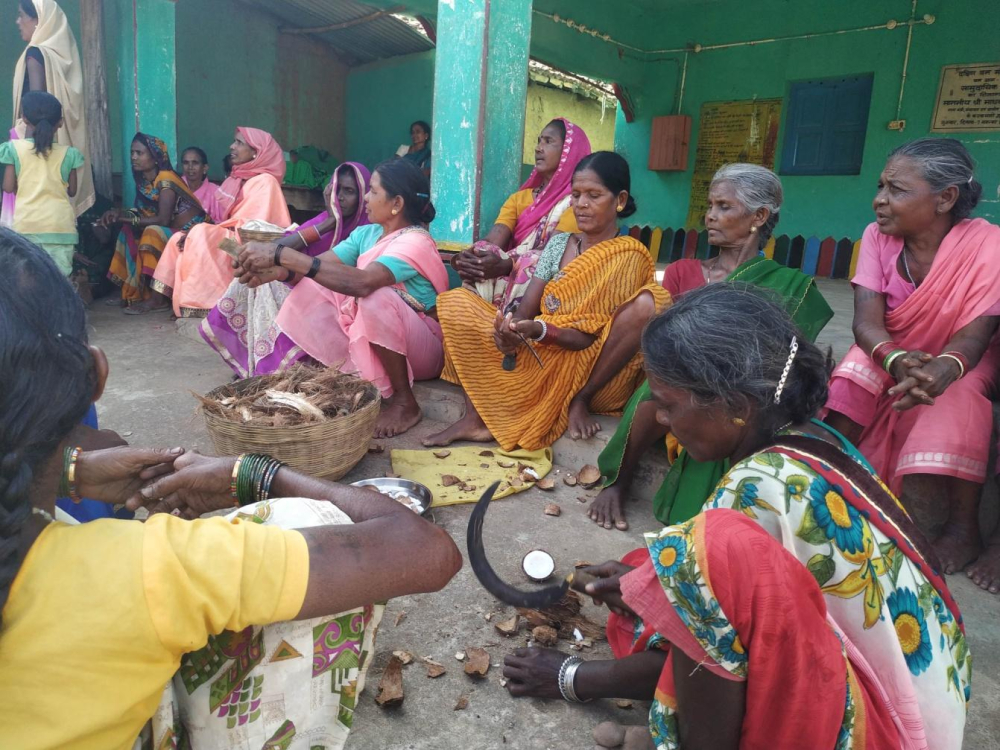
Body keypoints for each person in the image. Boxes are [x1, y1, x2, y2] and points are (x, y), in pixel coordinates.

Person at [0, 228, 463, 749]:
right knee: (310, 520)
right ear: (96, 376)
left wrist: (72, 471)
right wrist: (250, 473)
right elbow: (428, 552)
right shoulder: (156, 570)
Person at [503, 284, 969, 750]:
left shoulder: (753, 489)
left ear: (736, 408)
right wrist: (650, 582)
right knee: (655, 570)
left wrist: (573, 676)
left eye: (667, 404)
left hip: (882, 729)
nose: (661, 420)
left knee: (691, 563)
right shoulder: (822, 442)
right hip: (926, 710)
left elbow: (714, 651)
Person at [590, 164, 833, 531]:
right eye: (710, 205)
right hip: (682, 385)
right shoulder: (683, 272)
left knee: (746, 405)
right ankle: (620, 480)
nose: (710, 216)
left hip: (741, 392)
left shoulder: (790, 286)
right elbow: (665, 346)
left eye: (723, 206)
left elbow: (780, 362)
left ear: (759, 216)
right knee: (660, 390)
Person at [823, 138, 1000, 594]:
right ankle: (831, 472)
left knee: (959, 395)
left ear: (944, 199)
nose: (879, 199)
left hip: (963, 359)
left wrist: (946, 367)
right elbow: (866, 320)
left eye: (897, 189)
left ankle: (963, 527)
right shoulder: (876, 238)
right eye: (881, 186)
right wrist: (897, 358)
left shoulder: (987, 244)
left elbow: (977, 335)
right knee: (858, 366)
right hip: (897, 351)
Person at [423, 151, 670, 451]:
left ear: (619, 200)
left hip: (589, 367)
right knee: (457, 302)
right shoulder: (559, 243)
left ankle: (579, 400)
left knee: (653, 300)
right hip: (544, 350)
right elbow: (527, 309)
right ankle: (475, 418)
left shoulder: (628, 255)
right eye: (576, 195)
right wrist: (509, 332)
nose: (581, 204)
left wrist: (539, 331)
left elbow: (589, 337)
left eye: (594, 195)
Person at [234, 159, 448, 438]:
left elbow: (363, 282)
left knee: (374, 297)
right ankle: (327, 376)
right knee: (317, 284)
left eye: (372, 191)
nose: (366, 199)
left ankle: (405, 402)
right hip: (380, 339)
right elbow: (313, 269)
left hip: (424, 352)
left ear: (396, 203)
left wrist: (281, 255)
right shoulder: (366, 234)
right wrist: (275, 273)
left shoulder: (415, 241)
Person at [201, 162, 372, 378]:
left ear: (364, 195)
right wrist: (328, 222)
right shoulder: (324, 221)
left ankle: (273, 366)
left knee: (270, 282)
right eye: (337, 189)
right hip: (305, 284)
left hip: (338, 301)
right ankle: (256, 363)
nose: (341, 197)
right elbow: (279, 248)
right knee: (259, 276)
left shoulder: (365, 231)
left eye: (349, 191)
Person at [449, 118, 590, 311]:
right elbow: (494, 239)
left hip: (546, 285)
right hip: (508, 276)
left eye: (548, 142)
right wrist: (470, 258)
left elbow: (550, 254)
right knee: (483, 248)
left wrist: (508, 265)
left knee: (531, 262)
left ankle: (510, 321)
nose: (539, 148)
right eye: (539, 141)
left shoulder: (576, 204)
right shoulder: (519, 199)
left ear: (569, 152)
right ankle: (478, 313)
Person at [152, 127, 290, 318]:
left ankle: (206, 305)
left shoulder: (265, 181)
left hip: (250, 248)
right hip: (233, 239)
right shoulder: (239, 178)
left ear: (256, 152)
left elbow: (253, 227)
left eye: (239, 143)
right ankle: (178, 302)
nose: (231, 146)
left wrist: (206, 231)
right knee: (180, 237)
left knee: (200, 233)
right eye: (234, 141)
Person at [102, 134, 208, 313]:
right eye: (132, 153)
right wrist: (119, 214)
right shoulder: (144, 182)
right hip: (171, 229)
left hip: (191, 233)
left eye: (139, 153)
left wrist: (123, 217)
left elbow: (163, 220)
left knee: (152, 232)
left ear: (155, 156)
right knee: (127, 231)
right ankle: (128, 289)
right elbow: (145, 212)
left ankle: (158, 298)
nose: (133, 157)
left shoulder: (166, 179)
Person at [11, 0, 94, 217]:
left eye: (22, 15)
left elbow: (36, 108)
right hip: (54, 143)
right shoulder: (59, 56)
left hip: (33, 142)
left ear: (39, 21)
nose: (18, 21)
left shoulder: (35, 54)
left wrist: (26, 155)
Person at [0, 90, 81, 275]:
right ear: (60, 122)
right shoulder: (69, 153)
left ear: (24, 119)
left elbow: (8, 187)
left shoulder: (14, 149)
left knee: (28, 279)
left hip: (28, 225)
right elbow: (73, 191)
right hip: (61, 227)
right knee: (60, 280)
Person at [180, 146, 223, 222]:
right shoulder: (176, 187)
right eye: (186, 163)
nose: (190, 167)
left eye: (195, 163)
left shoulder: (215, 192)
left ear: (205, 168)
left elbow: (222, 222)